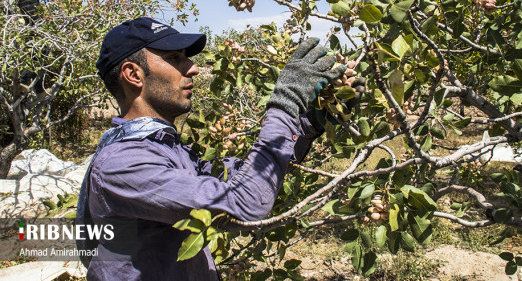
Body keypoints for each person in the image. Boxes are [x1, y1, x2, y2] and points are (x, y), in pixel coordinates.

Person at [76, 17, 346, 280]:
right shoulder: (122, 164)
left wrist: (307, 125)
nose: (192, 68)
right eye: (174, 58)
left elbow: (243, 178)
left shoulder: (162, 149)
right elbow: (244, 203)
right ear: (133, 74)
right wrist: (286, 101)